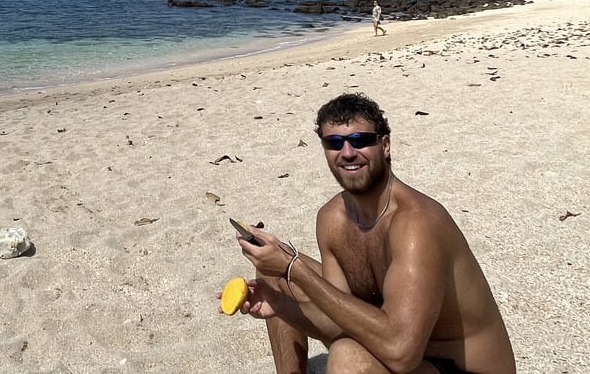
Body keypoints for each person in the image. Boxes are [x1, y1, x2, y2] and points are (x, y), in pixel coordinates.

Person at [220, 93, 515, 373]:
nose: (347, 153)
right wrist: (280, 306)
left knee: (348, 357)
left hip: (458, 367)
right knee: (273, 270)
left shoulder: (415, 223)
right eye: (334, 143)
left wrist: (295, 270)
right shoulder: (331, 218)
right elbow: (336, 321)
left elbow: (400, 353)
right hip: (397, 348)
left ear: (385, 146)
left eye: (360, 141)